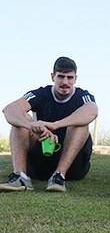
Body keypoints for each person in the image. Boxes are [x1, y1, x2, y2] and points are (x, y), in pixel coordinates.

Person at [1, 56, 98, 192]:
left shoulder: (82, 96)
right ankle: (20, 177)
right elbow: (9, 109)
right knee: (21, 119)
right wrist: (32, 126)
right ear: (53, 77)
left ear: (75, 78)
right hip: (41, 163)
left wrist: (56, 125)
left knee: (81, 123)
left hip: (73, 168)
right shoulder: (41, 94)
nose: (65, 82)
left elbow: (92, 110)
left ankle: (59, 176)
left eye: (69, 77)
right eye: (61, 77)